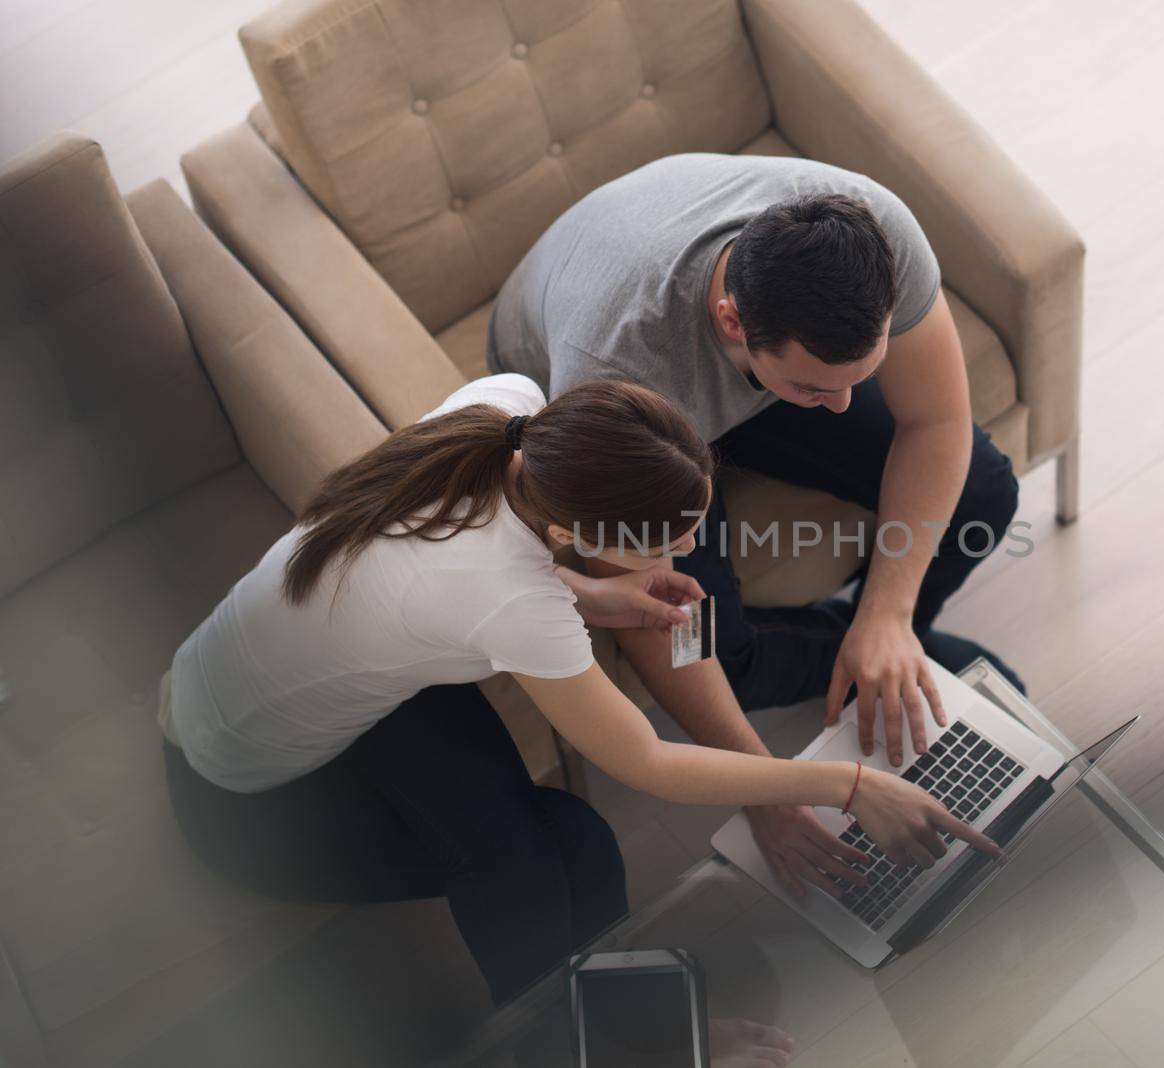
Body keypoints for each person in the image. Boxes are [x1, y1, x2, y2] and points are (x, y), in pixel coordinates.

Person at [161, 374, 998, 1006]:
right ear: (569, 534)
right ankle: (593, 1046)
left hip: (263, 676)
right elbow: (648, 763)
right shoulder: (507, 598)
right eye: (670, 539)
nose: (695, 546)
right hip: (247, 795)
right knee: (563, 846)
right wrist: (849, 783)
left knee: (570, 844)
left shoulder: (506, 410)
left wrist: (596, 593)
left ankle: (613, 1029)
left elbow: (487, 561)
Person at [487, 153, 1024, 777]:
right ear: (733, 322)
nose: (842, 406)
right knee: (717, 654)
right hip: (633, 422)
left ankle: (886, 645)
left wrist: (888, 614)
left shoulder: (874, 236)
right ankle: (894, 661)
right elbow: (652, 615)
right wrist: (762, 785)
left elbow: (936, 422)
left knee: (983, 494)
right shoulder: (614, 367)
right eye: (816, 390)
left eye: (859, 377)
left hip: (742, 365)